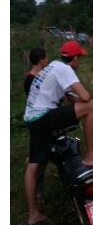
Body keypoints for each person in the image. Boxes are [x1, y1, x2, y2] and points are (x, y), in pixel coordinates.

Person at [19, 40, 93, 225]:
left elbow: (71, 97)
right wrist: (80, 100)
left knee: (33, 165)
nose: (80, 62)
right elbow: (85, 97)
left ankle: (33, 214)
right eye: (80, 58)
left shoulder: (52, 67)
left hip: (32, 118)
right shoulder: (65, 69)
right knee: (92, 106)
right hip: (43, 116)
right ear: (74, 58)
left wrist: (73, 99)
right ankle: (92, 155)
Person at [24, 48, 49, 205]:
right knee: (39, 160)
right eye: (46, 58)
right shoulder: (31, 80)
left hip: (45, 120)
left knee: (44, 157)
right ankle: (37, 191)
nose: (47, 60)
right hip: (40, 121)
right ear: (41, 60)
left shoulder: (38, 77)